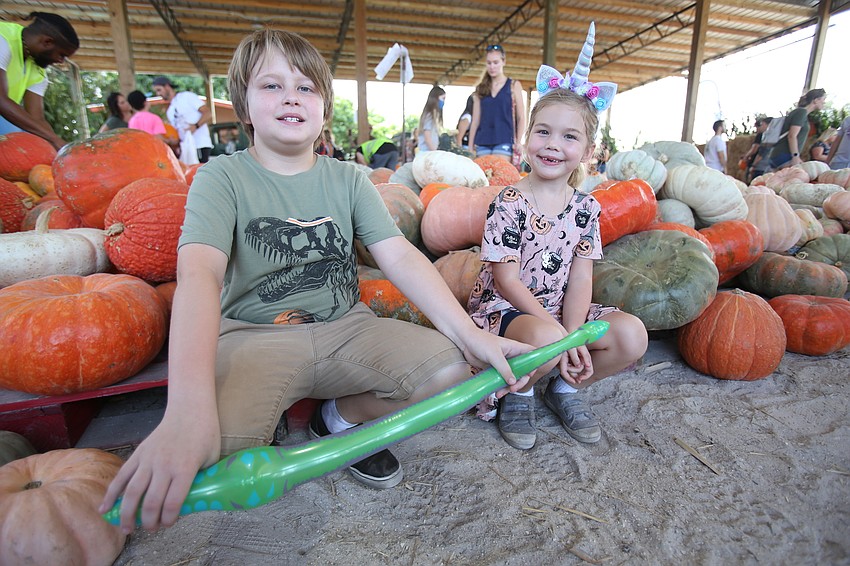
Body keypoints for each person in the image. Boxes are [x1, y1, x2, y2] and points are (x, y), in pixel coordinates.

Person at [100, 28, 531, 534]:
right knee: (211, 461)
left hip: (347, 328)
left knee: (453, 372)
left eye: (306, 88)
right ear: (243, 103)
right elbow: (197, 277)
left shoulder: (348, 179)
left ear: (325, 108)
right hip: (252, 339)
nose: (291, 97)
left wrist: (471, 334)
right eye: (271, 85)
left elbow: (403, 260)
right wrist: (185, 411)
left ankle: (339, 420)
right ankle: (264, 413)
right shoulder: (221, 179)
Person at [467, 45, 648, 451]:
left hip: (559, 314)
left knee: (631, 337)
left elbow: (581, 276)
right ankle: (520, 391)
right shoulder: (509, 201)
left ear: (587, 152)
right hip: (509, 310)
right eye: (543, 131)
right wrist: (564, 338)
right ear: (527, 137)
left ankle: (563, 389)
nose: (552, 144)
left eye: (569, 136)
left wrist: (573, 332)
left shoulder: (586, 207)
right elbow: (506, 280)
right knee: (548, 339)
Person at [0, 11, 78, 149]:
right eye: (62, 55)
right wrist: (54, 139)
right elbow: (1, 100)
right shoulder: (3, 39)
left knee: (28, 138)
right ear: (47, 42)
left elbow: (37, 118)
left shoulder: (38, 69)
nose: (61, 61)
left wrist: (61, 149)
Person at [467, 44, 526, 163]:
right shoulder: (480, 88)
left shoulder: (513, 85)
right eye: (489, 63)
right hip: (482, 141)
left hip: (504, 140)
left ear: (503, 62)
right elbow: (475, 121)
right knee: (482, 179)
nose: (492, 66)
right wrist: (469, 146)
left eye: (495, 62)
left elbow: (521, 117)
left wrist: (518, 141)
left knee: (501, 176)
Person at [152, 76, 214, 163]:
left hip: (199, 144)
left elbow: (208, 113)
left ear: (167, 86)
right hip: (185, 148)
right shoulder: (170, 111)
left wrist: (195, 126)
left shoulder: (187, 97)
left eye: (159, 90)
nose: (158, 94)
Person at [768, 88, 826, 170]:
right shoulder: (801, 113)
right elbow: (792, 135)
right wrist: (795, 156)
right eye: (823, 99)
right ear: (816, 100)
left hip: (782, 154)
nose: (824, 102)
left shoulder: (801, 113)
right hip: (785, 154)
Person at [417, 86, 445, 153]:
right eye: (443, 98)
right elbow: (427, 138)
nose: (443, 101)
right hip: (427, 154)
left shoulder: (432, 116)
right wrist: (436, 152)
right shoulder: (429, 116)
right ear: (436, 98)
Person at [742, 117, 769, 183]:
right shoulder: (773, 136)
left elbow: (754, 149)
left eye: (762, 125)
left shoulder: (760, 135)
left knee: (754, 183)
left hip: (759, 165)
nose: (757, 129)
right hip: (767, 166)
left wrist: (746, 157)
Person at [749, 117, 773, 181]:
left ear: (768, 125)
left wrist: (753, 165)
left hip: (761, 168)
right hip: (769, 167)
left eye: (762, 124)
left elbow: (762, 152)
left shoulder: (768, 137)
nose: (761, 126)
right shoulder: (775, 136)